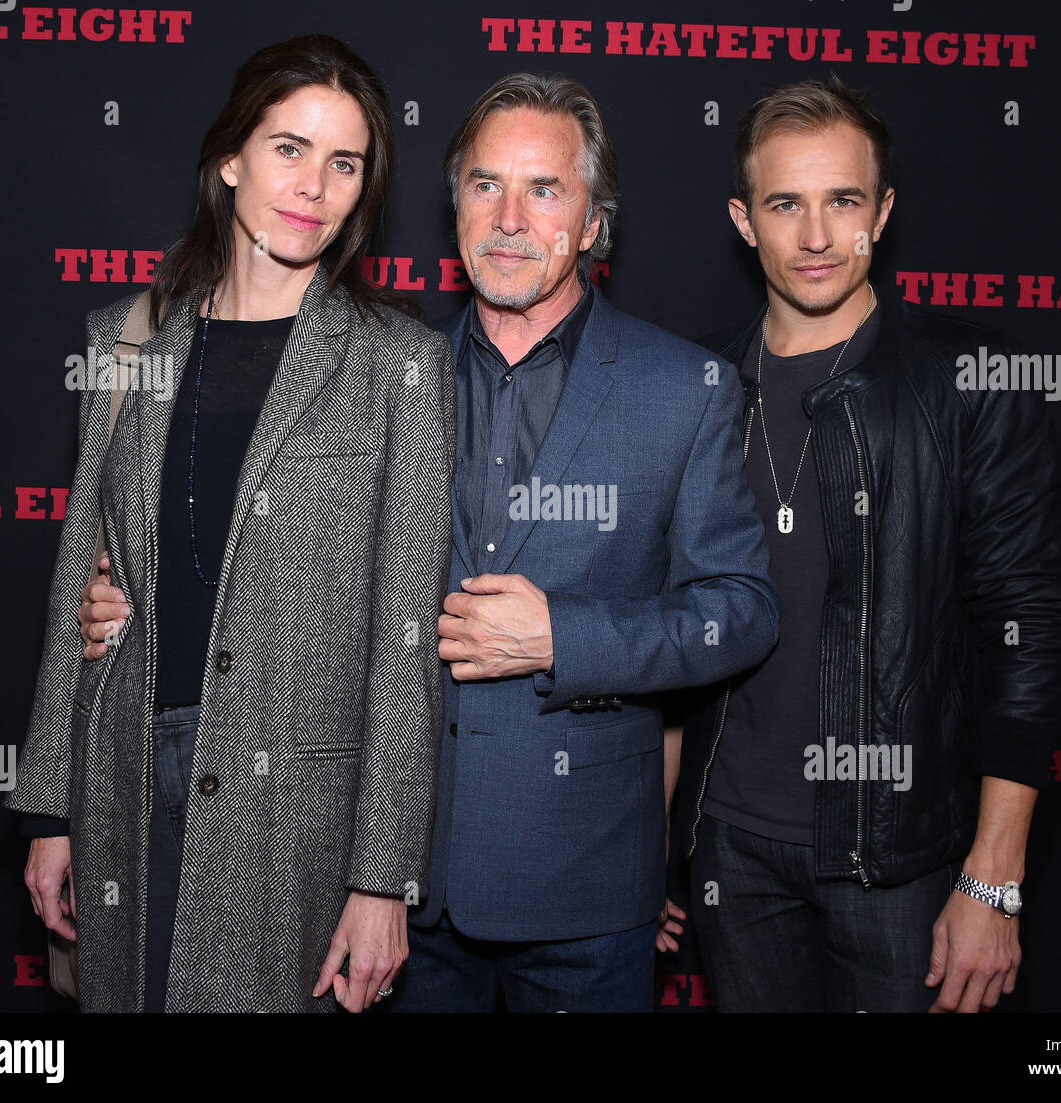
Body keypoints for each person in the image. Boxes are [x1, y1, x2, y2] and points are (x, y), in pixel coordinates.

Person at [4, 34, 453, 1013]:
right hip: (124, 766)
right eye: (289, 148)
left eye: (345, 162)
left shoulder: (400, 367)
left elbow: (403, 649)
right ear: (230, 160)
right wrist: (50, 804)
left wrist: (382, 878)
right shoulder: (126, 343)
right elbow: (78, 567)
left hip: (294, 802)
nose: (314, 185)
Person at [666, 77, 1061, 1013]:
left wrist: (993, 878)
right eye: (785, 204)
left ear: (882, 212)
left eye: (843, 201)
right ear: (744, 220)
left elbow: (1032, 632)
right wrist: (658, 846)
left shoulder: (967, 384)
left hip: (899, 859)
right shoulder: (692, 386)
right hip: (730, 848)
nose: (816, 236)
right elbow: (666, 639)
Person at [375, 73, 779, 1013]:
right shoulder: (392, 376)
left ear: (594, 223)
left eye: (544, 189)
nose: (509, 218)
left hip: (588, 900)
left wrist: (565, 636)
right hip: (402, 888)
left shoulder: (685, 388)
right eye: (485, 186)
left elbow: (742, 611)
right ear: (455, 207)